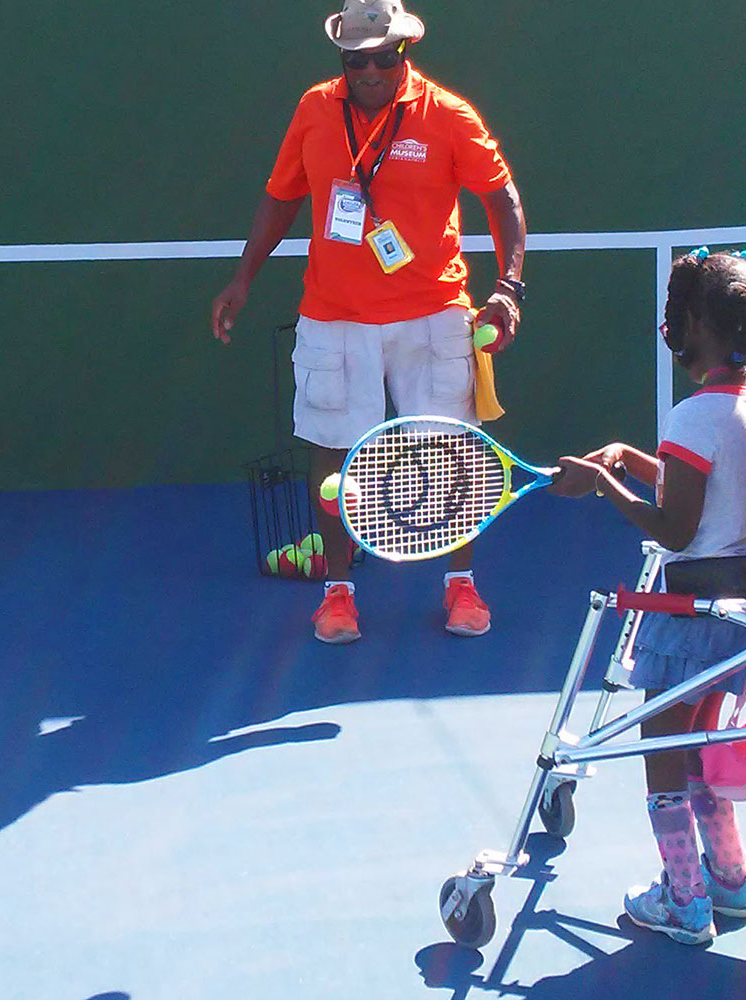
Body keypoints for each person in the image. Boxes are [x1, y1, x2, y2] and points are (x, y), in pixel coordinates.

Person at [211, 0, 526, 644]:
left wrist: (509, 287)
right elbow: (281, 196)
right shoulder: (314, 110)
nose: (371, 70)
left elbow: (502, 199)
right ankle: (337, 593)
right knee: (331, 454)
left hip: (433, 310)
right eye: (357, 59)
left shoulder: (447, 115)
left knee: (453, 451)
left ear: (403, 52)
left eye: (384, 57)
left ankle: (460, 584)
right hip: (335, 314)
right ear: (343, 59)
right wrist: (243, 277)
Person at [550, 247, 746, 945]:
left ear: (697, 322)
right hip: (740, 620)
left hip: (691, 617)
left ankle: (686, 903)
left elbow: (679, 526)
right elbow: (716, 491)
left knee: (664, 744)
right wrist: (634, 461)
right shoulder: (739, 410)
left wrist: (604, 485)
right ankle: (729, 879)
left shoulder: (694, 417)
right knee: (703, 738)